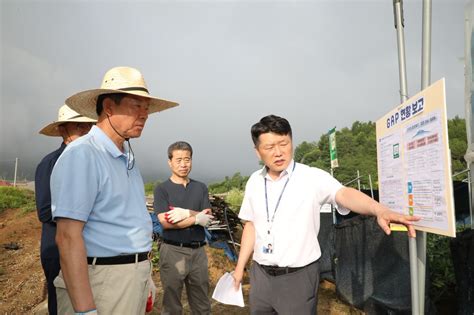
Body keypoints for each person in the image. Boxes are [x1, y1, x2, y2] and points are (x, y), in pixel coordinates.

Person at [232, 114, 420, 314]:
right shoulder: (254, 181)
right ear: (258, 152)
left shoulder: (311, 177)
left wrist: (379, 209)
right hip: (260, 275)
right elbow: (251, 226)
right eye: (269, 147)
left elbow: (344, 194)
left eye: (284, 143)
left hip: (298, 277)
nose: (278, 152)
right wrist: (239, 268)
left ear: (291, 141)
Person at [50, 66, 178, 314]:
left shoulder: (125, 158)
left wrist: (143, 273)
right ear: (108, 107)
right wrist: (85, 310)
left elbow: (127, 221)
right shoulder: (84, 155)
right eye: (135, 106)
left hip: (129, 278)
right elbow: (67, 237)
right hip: (102, 281)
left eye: (146, 108)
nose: (144, 115)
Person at [35, 104, 95, 315]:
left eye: (88, 126)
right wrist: (82, 213)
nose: (85, 131)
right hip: (57, 248)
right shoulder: (50, 163)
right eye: (79, 126)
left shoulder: (93, 161)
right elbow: (44, 211)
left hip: (87, 250)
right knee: (60, 303)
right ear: (62, 130)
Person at [154, 141, 214, 315]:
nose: (183, 164)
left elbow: (207, 217)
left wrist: (185, 212)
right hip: (173, 250)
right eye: (178, 160)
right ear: (170, 162)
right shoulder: (162, 189)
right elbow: (165, 222)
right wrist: (196, 218)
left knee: (202, 303)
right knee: (172, 304)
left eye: (187, 159)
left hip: (198, 252)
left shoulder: (200, 187)